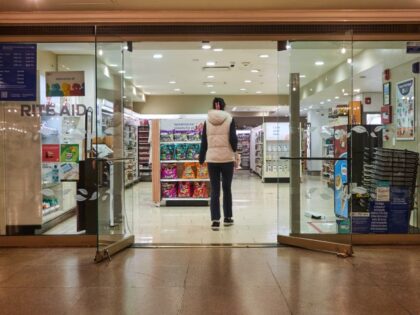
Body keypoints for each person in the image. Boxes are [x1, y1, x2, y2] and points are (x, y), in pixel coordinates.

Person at [199, 97, 238, 231]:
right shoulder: (230, 119)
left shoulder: (207, 120)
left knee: (215, 190)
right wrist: (234, 150)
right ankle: (227, 218)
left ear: (214, 106)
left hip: (212, 160)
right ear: (223, 106)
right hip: (227, 159)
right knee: (227, 189)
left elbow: (204, 141)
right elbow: (233, 138)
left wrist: (201, 157)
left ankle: (215, 220)